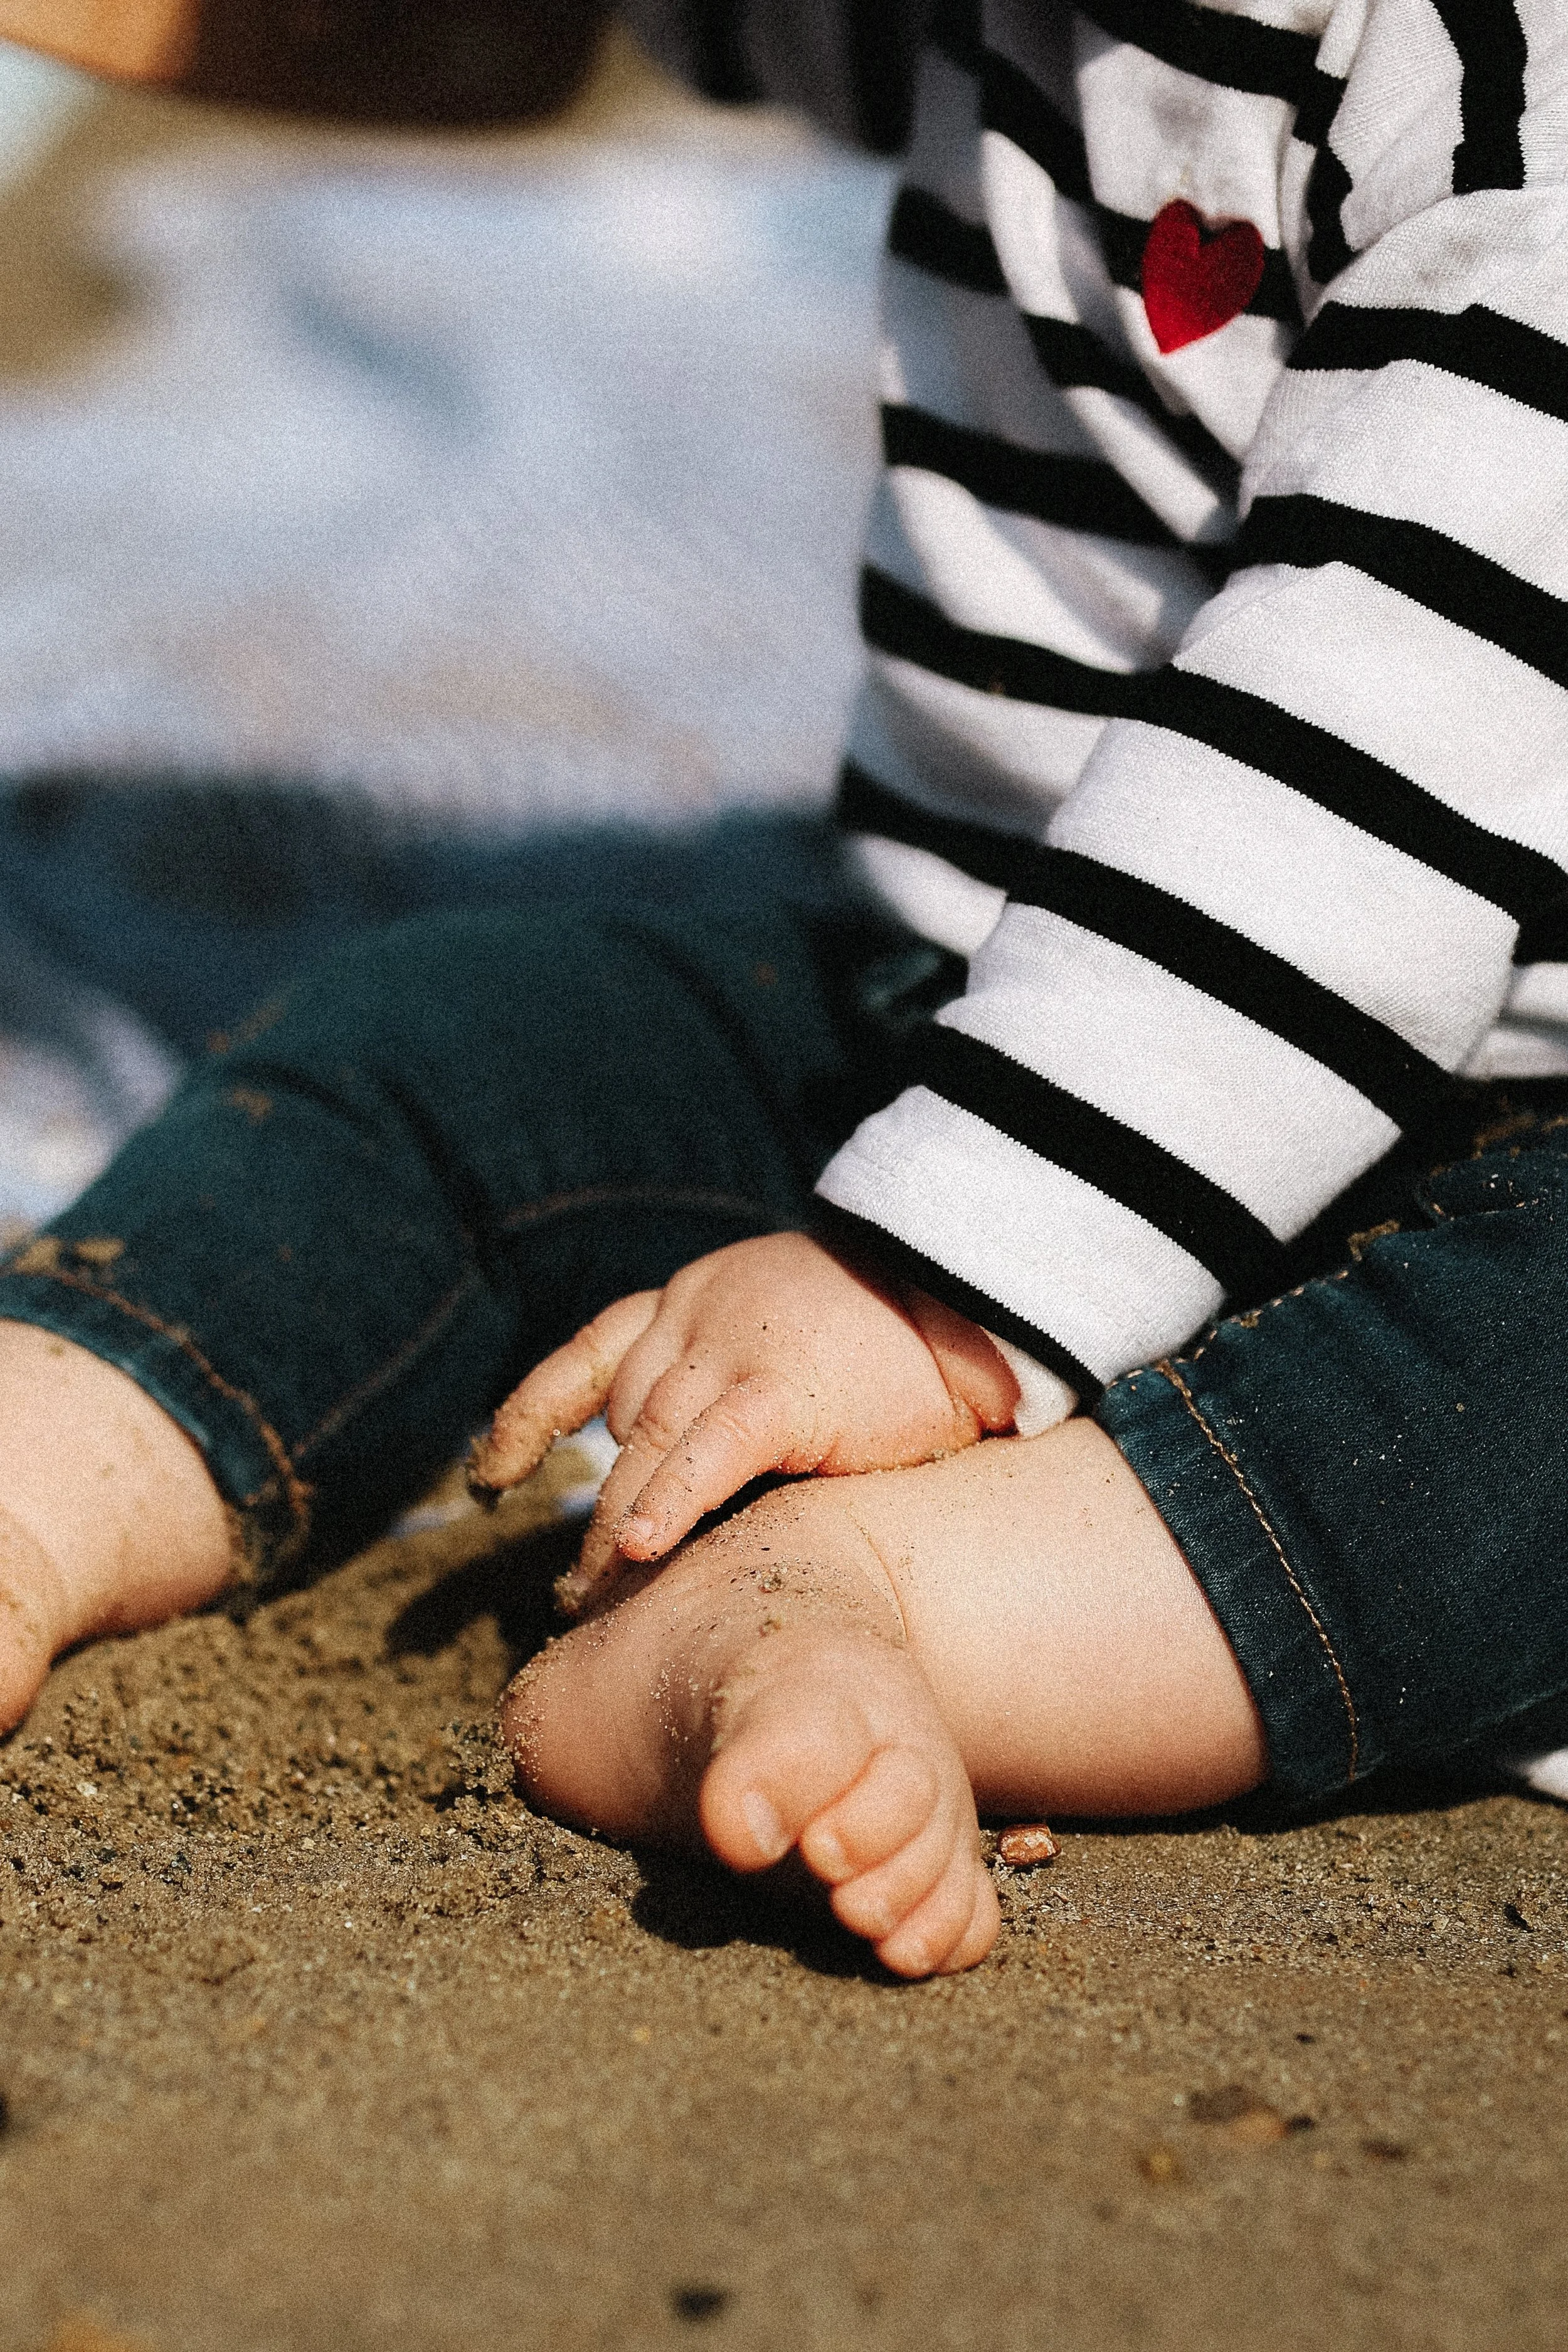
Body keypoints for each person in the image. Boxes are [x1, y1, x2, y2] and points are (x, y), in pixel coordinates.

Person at [3, 0, 1568, 1979]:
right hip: (974, 965)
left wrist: (936, 1294)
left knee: (1506, 1429)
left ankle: (883, 1604)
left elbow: (1363, 791)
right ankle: (68, 1436)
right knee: (487, 1028)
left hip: (1483, 1089)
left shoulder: (1517, 142)